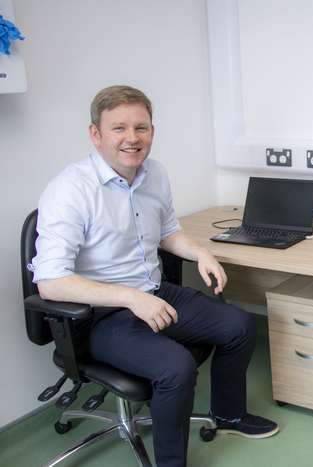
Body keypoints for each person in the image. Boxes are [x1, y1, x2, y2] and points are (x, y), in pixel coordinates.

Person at [30, 85, 278, 467]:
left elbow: (167, 231)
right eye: (119, 128)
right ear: (96, 134)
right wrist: (131, 298)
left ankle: (228, 415)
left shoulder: (154, 173)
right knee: (175, 368)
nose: (132, 138)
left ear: (152, 131)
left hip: (153, 293)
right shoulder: (70, 190)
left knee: (239, 325)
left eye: (141, 128)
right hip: (99, 317)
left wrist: (201, 252)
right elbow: (50, 281)